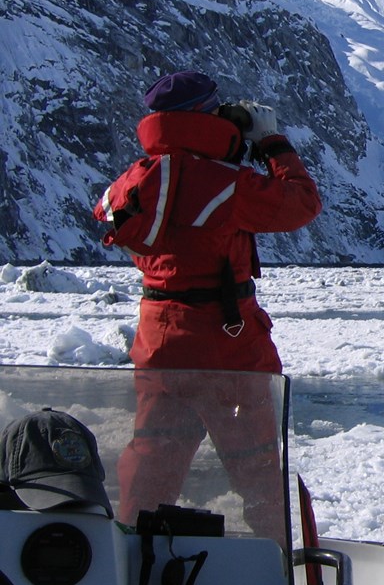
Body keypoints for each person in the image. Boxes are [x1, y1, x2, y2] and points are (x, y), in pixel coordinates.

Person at [94, 70, 321, 534]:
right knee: (256, 467)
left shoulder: (134, 182)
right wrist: (273, 143)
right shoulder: (223, 184)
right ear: (205, 117)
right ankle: (271, 566)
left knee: (152, 460)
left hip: (159, 339)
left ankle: (130, 563)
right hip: (227, 342)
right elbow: (301, 203)